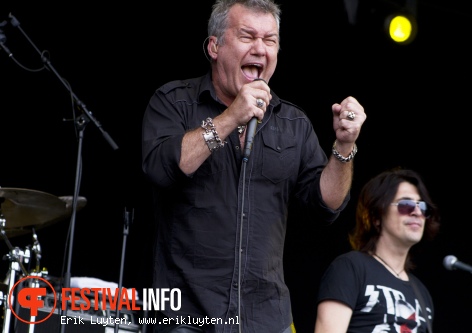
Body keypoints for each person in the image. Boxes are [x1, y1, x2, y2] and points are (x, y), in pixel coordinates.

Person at [141, 0, 366, 332]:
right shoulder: (174, 101)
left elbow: (326, 206)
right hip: (187, 314)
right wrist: (231, 117)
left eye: (270, 40)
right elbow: (161, 167)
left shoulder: (293, 123)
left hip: (267, 317)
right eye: (248, 36)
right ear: (214, 46)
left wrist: (344, 146)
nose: (260, 49)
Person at [314, 168, 440, 333]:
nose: (417, 212)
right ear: (376, 216)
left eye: (422, 207)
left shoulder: (422, 294)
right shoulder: (350, 268)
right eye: (406, 205)